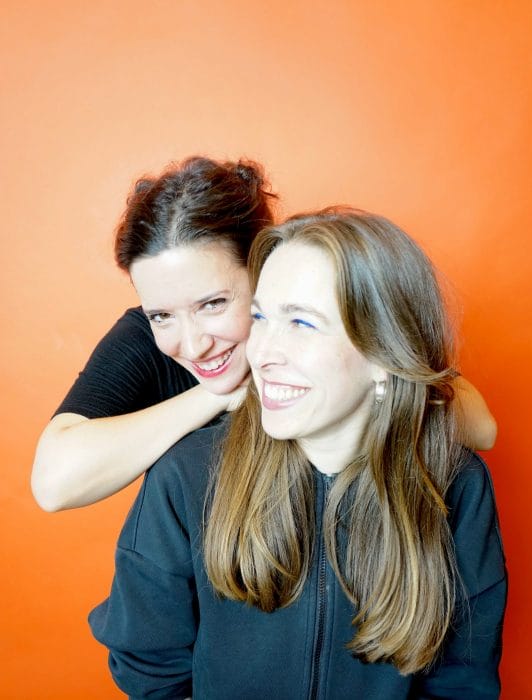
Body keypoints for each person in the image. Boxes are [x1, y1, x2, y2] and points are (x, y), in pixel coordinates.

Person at [89, 209, 506, 699]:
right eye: (260, 317)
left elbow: (462, 682)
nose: (262, 353)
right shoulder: (186, 477)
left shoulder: (457, 486)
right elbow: (151, 672)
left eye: (302, 322)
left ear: (383, 355)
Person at [31, 158, 496, 513]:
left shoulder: (327, 316)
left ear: (264, 268)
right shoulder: (144, 340)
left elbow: (482, 426)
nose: (192, 345)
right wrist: (221, 395)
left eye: (213, 304)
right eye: (162, 315)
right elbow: (54, 484)